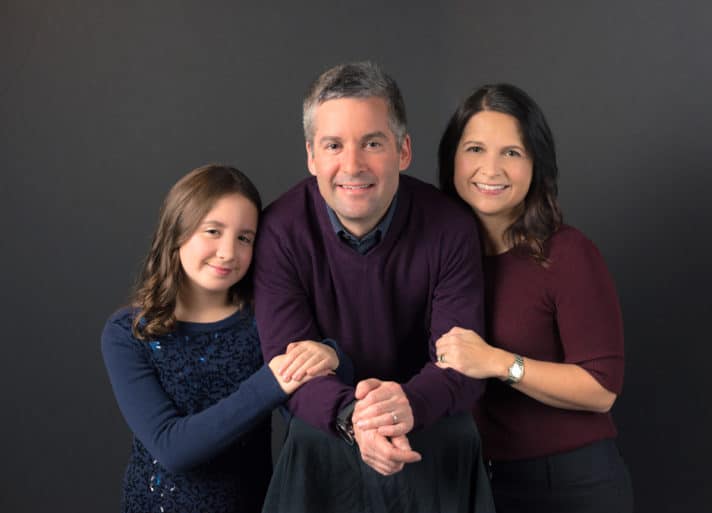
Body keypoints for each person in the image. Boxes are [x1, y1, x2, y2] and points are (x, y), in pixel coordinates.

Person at [253, 62, 495, 512]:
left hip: (430, 427)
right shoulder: (280, 231)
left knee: (457, 430)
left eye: (372, 143)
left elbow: (461, 361)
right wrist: (354, 418)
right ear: (311, 156)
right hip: (325, 433)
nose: (352, 165)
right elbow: (288, 365)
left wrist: (407, 404)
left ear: (403, 150)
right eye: (333, 145)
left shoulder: (450, 227)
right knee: (308, 434)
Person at [101, 164, 350, 513]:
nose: (228, 252)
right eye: (213, 231)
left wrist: (333, 355)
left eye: (244, 238)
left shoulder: (263, 320)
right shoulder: (129, 333)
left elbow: (310, 408)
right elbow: (173, 448)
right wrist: (272, 382)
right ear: (177, 232)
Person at [435, 84, 634, 512]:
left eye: (512, 152)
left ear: (535, 164)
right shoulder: (442, 258)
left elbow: (602, 389)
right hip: (475, 481)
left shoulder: (567, 253)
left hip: (568, 483)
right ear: (451, 158)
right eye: (474, 149)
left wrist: (498, 362)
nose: (491, 169)